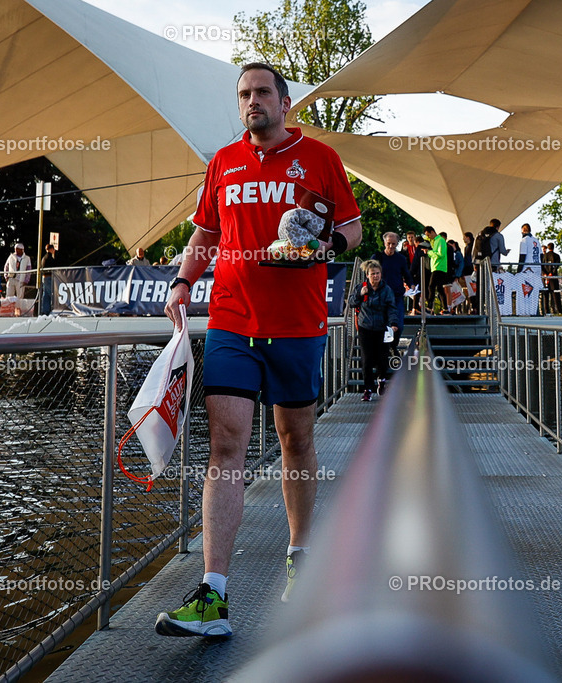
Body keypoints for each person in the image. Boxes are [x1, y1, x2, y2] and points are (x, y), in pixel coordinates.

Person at [157, 62, 362, 638]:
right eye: (244, 94)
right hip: (231, 321)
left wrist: (323, 243)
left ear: (284, 100)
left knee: (296, 439)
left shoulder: (320, 159)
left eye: (262, 92)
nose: (252, 102)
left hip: (298, 325)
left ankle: (300, 560)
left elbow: (353, 228)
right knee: (226, 446)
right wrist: (182, 282)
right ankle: (213, 595)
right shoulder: (223, 161)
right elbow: (205, 235)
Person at [348, 260, 397, 401]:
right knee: (367, 360)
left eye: (378, 273)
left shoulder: (386, 290)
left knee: (382, 358)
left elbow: (392, 308)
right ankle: (367, 389)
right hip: (365, 327)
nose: (375, 276)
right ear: (367, 275)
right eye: (372, 274)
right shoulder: (361, 287)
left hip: (382, 328)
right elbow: (351, 303)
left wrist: (393, 323)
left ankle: (382, 380)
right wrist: (359, 295)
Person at [370, 232, 411, 350]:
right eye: (389, 243)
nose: (391, 246)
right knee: (381, 325)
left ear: (397, 244)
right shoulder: (377, 257)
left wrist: (411, 285)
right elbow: (369, 273)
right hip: (380, 296)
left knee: (399, 325)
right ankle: (382, 348)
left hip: (396, 296)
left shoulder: (401, 259)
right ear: (384, 243)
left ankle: (392, 346)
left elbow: (406, 274)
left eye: (394, 244)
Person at [423, 226, 451, 313]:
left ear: (432, 232)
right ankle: (445, 308)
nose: (429, 237)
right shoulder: (435, 241)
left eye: (429, 235)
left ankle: (430, 307)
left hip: (439, 267)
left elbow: (441, 254)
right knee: (439, 289)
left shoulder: (440, 240)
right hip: (437, 266)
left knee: (431, 286)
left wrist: (429, 252)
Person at [541, 242, 562, 314]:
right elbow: (556, 266)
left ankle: (546, 311)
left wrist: (545, 274)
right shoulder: (556, 256)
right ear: (553, 247)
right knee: (555, 294)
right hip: (553, 278)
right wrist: (551, 273)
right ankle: (559, 311)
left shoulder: (544, 256)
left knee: (546, 295)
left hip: (545, 278)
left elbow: (542, 266)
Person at [39, 244, 56, 315]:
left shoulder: (44, 258)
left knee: (45, 294)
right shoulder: (49, 258)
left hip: (44, 277)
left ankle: (45, 310)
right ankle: (53, 308)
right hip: (49, 277)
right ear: (51, 249)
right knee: (50, 293)